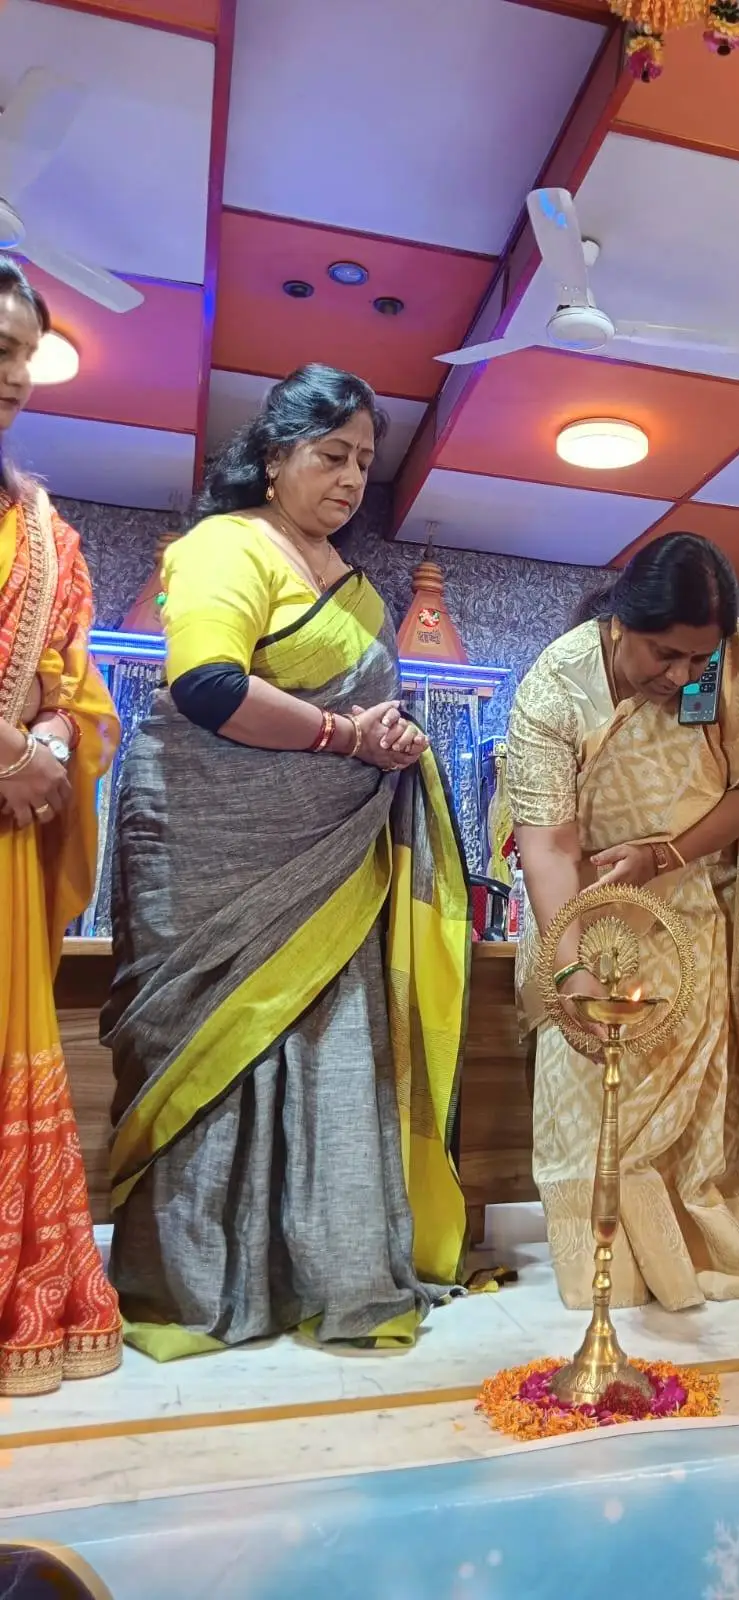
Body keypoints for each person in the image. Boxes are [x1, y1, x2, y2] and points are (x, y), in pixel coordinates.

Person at [103, 364, 472, 1358]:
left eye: (364, 462)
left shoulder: (353, 588)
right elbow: (209, 686)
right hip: (215, 846)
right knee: (214, 1050)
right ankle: (199, 1284)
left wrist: (391, 735)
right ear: (274, 456)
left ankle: (332, 1270)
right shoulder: (227, 545)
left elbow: (364, 710)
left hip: (332, 857)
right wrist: (346, 737)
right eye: (331, 455)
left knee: (333, 1047)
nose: (351, 479)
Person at [508, 532, 739, 1311]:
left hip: (687, 918)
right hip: (582, 919)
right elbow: (550, 844)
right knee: (587, 1109)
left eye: (697, 658)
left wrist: (665, 854)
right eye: (663, 654)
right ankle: (606, 1276)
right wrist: (570, 969)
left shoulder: (733, 670)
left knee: (692, 1115)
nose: (679, 675)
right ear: (621, 623)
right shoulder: (556, 686)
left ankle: (692, 1254)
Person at [0, 255, 122, 1395]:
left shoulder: (47, 538)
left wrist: (44, 747)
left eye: (24, 356)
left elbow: (76, 686)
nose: (13, 375)